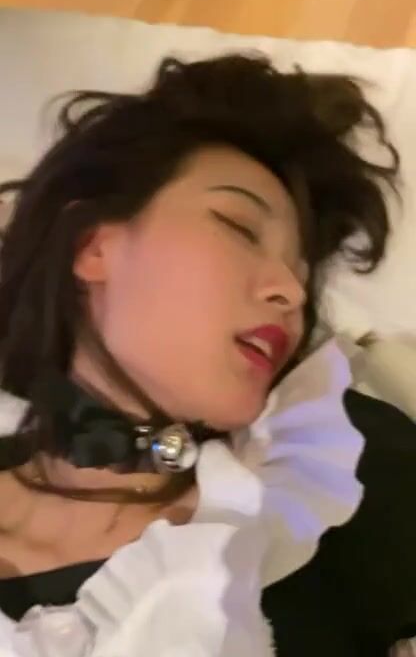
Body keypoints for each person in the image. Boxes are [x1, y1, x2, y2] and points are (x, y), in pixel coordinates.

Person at [0, 53, 400, 656]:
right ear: (91, 247)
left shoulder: (342, 478)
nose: (291, 294)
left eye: (301, 275)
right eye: (239, 226)